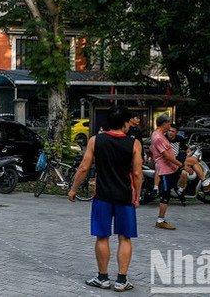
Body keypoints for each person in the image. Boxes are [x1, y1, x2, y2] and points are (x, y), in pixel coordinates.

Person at [69, 105, 142, 292]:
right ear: (126, 123)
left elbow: (84, 168)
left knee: (102, 236)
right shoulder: (134, 144)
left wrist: (73, 189)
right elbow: (137, 173)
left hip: (102, 196)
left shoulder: (95, 141)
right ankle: (121, 280)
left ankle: (102, 278)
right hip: (125, 196)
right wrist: (137, 196)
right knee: (125, 238)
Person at [150, 115, 182, 230]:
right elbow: (166, 156)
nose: (170, 125)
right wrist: (180, 164)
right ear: (164, 124)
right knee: (165, 193)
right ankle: (160, 220)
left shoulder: (159, 135)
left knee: (167, 192)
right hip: (165, 169)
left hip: (169, 168)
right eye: (169, 123)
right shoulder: (158, 137)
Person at [166, 125, 210, 192]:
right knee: (193, 160)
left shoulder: (179, 139)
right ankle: (204, 181)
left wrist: (188, 154)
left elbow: (187, 150)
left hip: (176, 159)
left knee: (185, 172)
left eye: (172, 131)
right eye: (169, 131)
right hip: (169, 160)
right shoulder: (164, 139)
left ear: (176, 132)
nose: (170, 133)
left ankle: (181, 190)